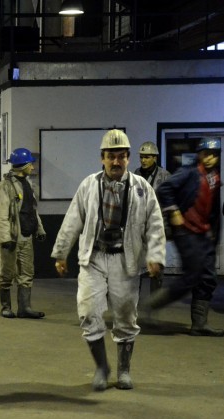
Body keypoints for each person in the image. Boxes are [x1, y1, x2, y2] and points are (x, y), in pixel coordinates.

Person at [51, 129, 166, 391]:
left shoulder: (141, 188)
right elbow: (73, 220)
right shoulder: (89, 185)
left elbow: (155, 224)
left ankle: (124, 370)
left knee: (125, 316)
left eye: (121, 157)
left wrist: (155, 256)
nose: (116, 162)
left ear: (127, 158)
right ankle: (102, 367)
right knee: (88, 312)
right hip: (94, 257)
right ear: (102, 158)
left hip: (125, 261)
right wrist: (60, 253)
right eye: (111, 156)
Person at [150, 137, 224, 337]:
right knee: (192, 275)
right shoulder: (189, 172)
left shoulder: (215, 177)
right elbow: (164, 189)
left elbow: (214, 208)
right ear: (199, 154)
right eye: (206, 154)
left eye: (214, 155)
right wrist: (173, 211)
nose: (210, 158)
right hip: (186, 230)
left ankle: (199, 324)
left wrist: (213, 233)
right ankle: (151, 306)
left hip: (204, 232)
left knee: (208, 277)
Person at [0, 147, 46, 319]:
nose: (33, 167)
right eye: (31, 164)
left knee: (27, 273)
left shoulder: (27, 184)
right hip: (12, 237)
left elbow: (31, 210)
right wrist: (5, 238)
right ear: (24, 165)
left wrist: (40, 228)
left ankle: (24, 308)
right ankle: (6, 307)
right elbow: (0, 214)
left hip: (26, 236)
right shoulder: (5, 187)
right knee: (7, 273)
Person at [134, 141, 171, 294]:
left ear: (155, 158)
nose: (143, 160)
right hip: (139, 226)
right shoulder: (135, 174)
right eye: (142, 157)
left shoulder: (165, 176)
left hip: (157, 225)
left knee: (156, 262)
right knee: (136, 264)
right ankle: (133, 296)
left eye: (147, 157)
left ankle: (155, 297)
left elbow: (170, 200)